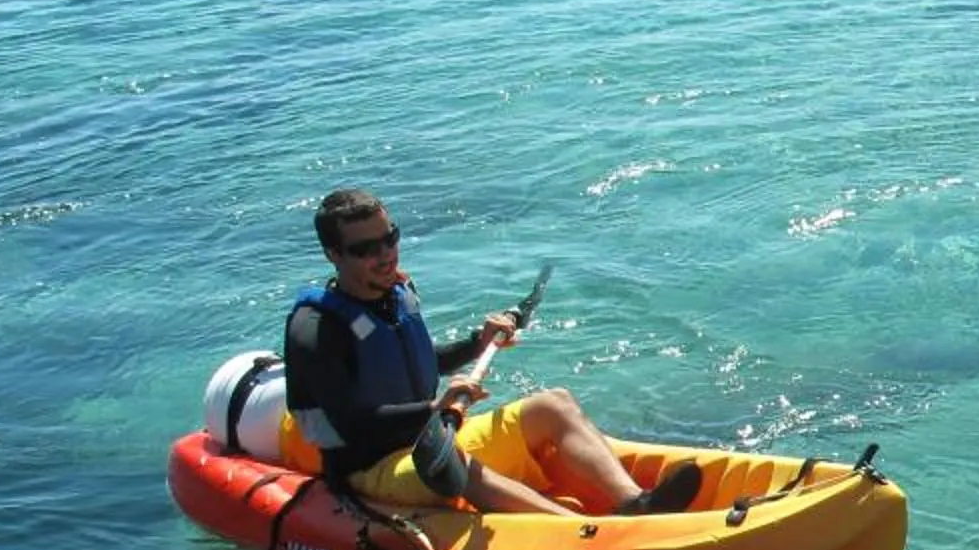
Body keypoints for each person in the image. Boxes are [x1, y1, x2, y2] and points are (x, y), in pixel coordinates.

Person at [280, 188, 699, 518]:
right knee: (461, 464)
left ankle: (634, 503)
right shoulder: (315, 331)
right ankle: (582, 532)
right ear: (334, 254)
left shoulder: (393, 295)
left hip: (432, 437)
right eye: (366, 249)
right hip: (372, 471)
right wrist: (435, 406)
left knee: (553, 404)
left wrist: (475, 344)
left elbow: (423, 361)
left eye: (390, 238)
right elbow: (350, 425)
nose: (385, 254)